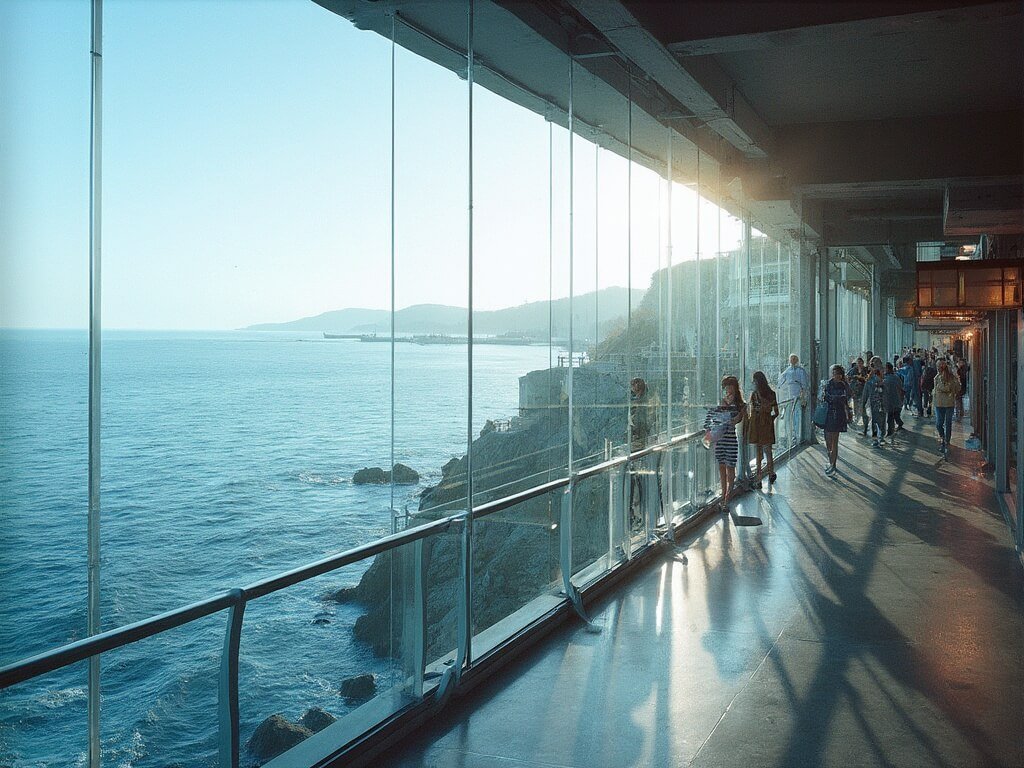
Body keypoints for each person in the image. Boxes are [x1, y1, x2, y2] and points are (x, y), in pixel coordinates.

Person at [704, 375, 745, 511]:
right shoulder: (719, 403)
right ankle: (723, 497)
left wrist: (729, 406)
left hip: (731, 441)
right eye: (725, 387)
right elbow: (709, 418)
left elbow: (735, 420)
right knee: (722, 470)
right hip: (720, 441)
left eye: (729, 386)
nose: (727, 389)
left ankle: (726, 499)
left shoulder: (739, 405)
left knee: (730, 470)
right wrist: (708, 432)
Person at [746, 371, 780, 489]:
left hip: (756, 425)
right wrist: (769, 419)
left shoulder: (754, 395)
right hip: (767, 424)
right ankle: (771, 473)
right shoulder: (772, 394)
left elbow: (751, 411)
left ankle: (759, 478)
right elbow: (776, 412)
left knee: (758, 452)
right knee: (768, 451)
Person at [628, 377, 652, 531]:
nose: (635, 386)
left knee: (638, 483)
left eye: (637, 383)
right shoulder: (638, 402)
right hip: (637, 446)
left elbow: (642, 425)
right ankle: (638, 515)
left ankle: (640, 515)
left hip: (640, 447)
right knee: (637, 483)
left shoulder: (641, 404)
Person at [820, 365, 852, 474]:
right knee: (829, 440)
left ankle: (833, 464)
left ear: (841, 375)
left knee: (834, 440)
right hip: (830, 414)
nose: (835, 376)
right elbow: (826, 397)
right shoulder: (828, 384)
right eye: (834, 374)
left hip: (838, 414)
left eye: (838, 374)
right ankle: (831, 461)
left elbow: (844, 399)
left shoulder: (843, 386)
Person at [777, 354, 810, 445]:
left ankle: (797, 436)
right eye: (791, 359)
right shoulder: (787, 371)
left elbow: (804, 385)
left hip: (797, 398)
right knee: (788, 417)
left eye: (794, 359)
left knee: (797, 417)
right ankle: (789, 436)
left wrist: (803, 396)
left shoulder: (801, 371)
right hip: (788, 398)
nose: (793, 360)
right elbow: (781, 383)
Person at [933, 359, 961, 454]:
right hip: (942, 403)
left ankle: (944, 439)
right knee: (945, 423)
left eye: (938, 367)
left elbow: (938, 389)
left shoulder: (947, 378)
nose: (937, 368)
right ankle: (945, 439)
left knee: (941, 423)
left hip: (944, 403)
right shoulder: (938, 377)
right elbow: (957, 388)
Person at [861, 362, 887, 448]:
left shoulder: (879, 381)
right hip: (878, 403)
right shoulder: (875, 381)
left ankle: (878, 438)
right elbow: (865, 394)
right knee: (878, 421)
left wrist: (863, 404)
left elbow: (865, 394)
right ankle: (879, 438)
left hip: (879, 403)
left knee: (878, 421)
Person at [882, 362, 905, 440]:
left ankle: (890, 432)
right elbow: (901, 388)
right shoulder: (896, 377)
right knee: (895, 415)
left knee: (891, 417)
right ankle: (899, 424)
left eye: (885, 368)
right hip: (896, 400)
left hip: (890, 401)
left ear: (888, 369)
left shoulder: (886, 378)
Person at [848, 357, 869, 436]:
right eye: (858, 362)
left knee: (863, 406)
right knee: (856, 406)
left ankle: (864, 422)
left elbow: (867, 379)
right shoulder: (853, 370)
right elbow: (848, 377)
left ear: (863, 363)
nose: (859, 364)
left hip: (863, 391)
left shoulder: (865, 370)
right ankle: (857, 419)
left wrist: (861, 379)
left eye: (861, 362)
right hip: (855, 391)